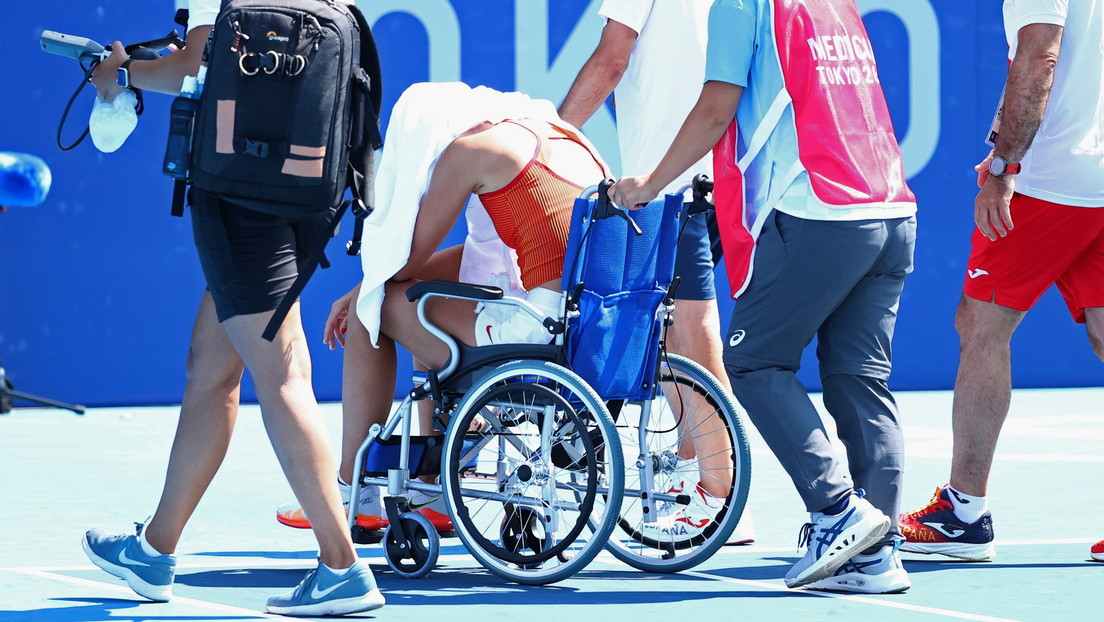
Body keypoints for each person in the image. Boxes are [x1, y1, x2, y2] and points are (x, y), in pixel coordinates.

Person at [78, 1, 384, 616]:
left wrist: (120, 75)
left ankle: (342, 567)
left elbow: (192, 65)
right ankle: (154, 548)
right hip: (307, 194)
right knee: (211, 368)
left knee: (282, 377)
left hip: (241, 201)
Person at [610, 0, 917, 593]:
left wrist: (650, 182)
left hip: (818, 210)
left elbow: (717, 107)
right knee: (861, 380)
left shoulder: (742, 4)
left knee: (754, 361)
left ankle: (838, 513)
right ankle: (878, 556)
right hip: (891, 208)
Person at [276, 82, 610, 533]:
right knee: (423, 298)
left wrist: (363, 292)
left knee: (372, 309)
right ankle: (433, 485)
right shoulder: (560, 137)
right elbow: (495, 258)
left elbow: (406, 260)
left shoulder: (470, 150)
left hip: (535, 336)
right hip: (588, 329)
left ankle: (353, 492)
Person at [899, 0, 1104, 562]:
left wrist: (1005, 165)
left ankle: (963, 512)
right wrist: (1000, 141)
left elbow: (1040, 58)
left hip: (1053, 178)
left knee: (983, 324)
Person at [558, 0, 754, 544]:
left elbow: (610, 60)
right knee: (667, 327)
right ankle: (698, 471)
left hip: (676, 179)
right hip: (730, 175)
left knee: (692, 325)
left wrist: (545, 140)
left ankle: (723, 491)